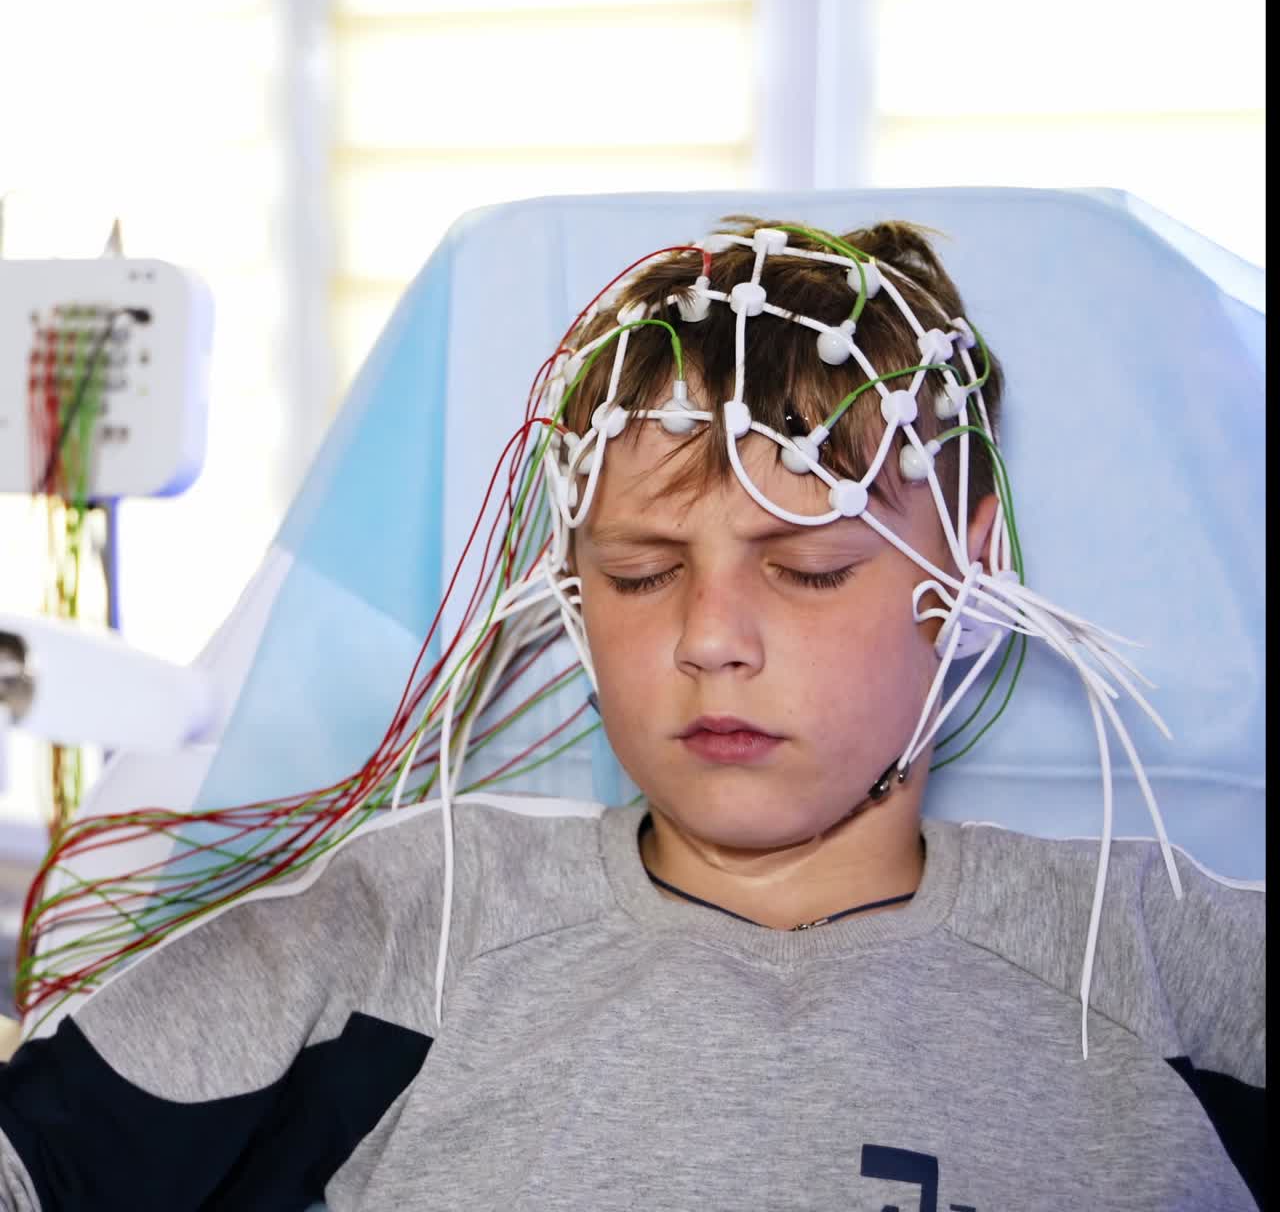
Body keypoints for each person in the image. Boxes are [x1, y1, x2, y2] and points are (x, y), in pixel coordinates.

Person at [0, 220, 1264, 1211]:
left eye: (808, 566)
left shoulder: (1165, 963)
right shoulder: (407, 934)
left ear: (967, 569)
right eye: (639, 573)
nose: (707, 637)